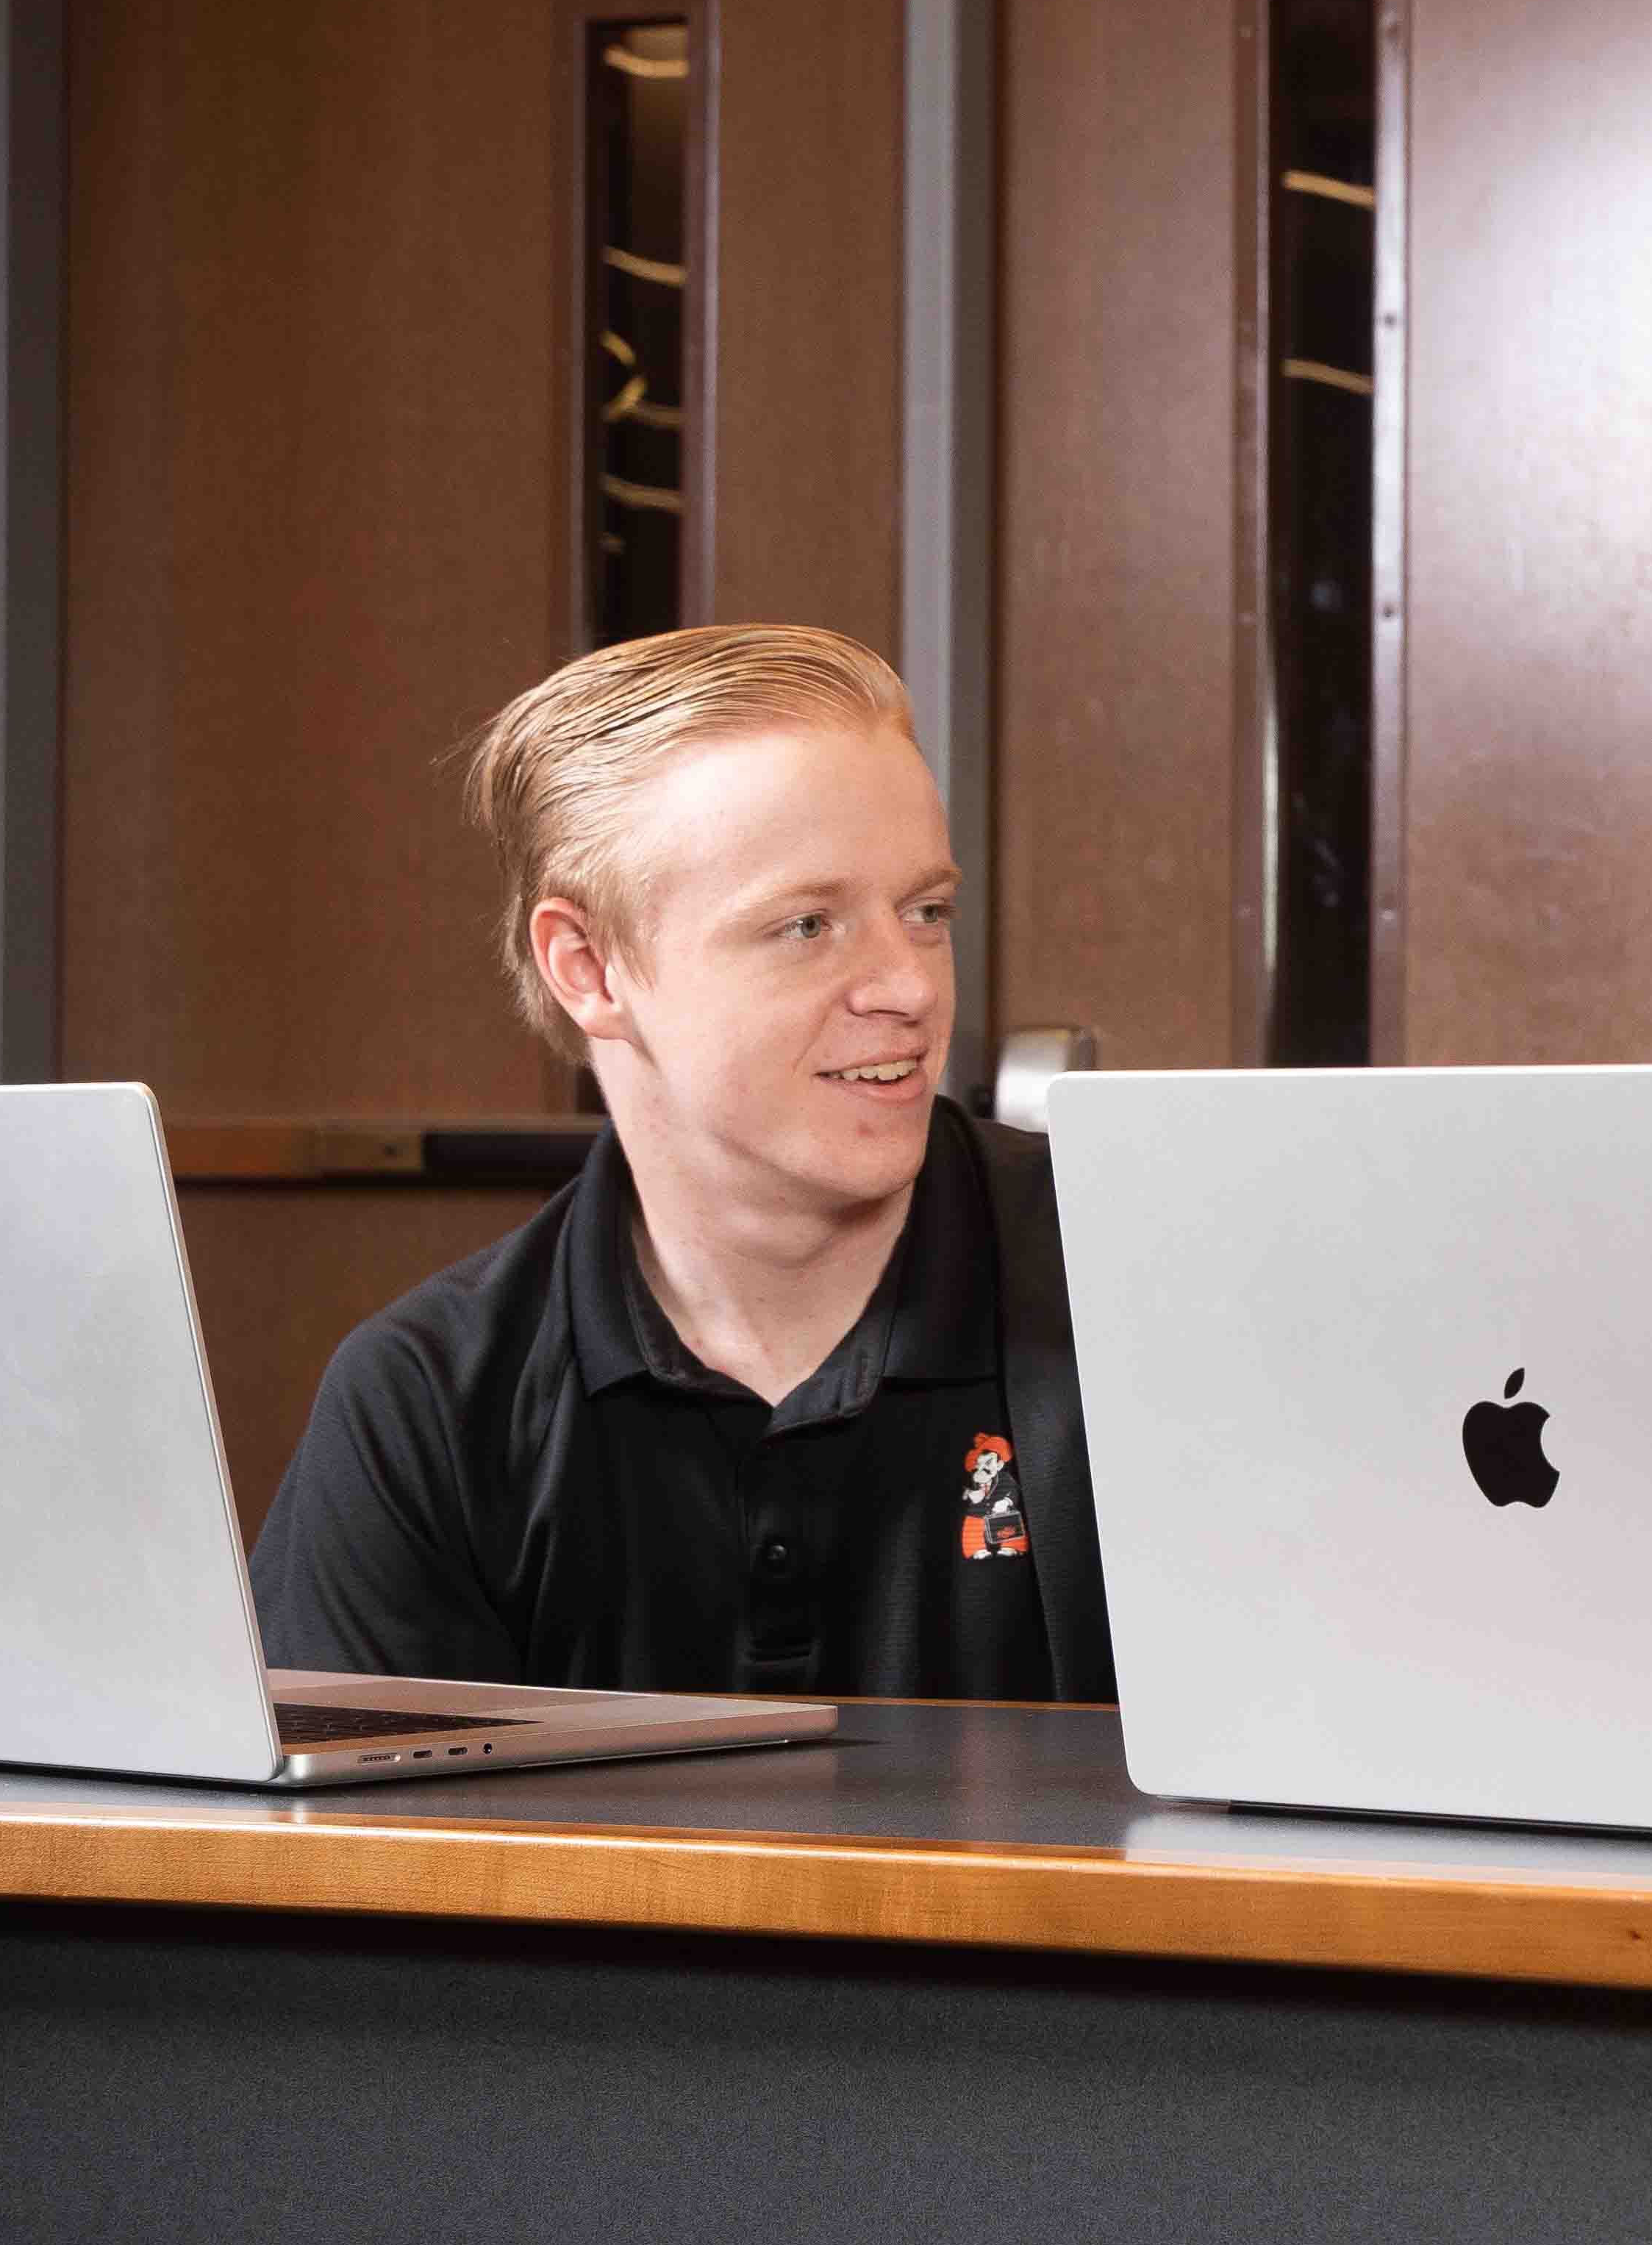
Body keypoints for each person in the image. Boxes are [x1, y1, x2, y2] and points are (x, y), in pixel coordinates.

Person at [248, 624, 1112, 1700]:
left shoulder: (1145, 1297)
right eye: (807, 925)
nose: (910, 986)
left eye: (924, 911)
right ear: (589, 966)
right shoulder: (427, 1405)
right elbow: (341, 1872)